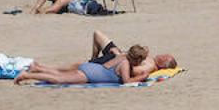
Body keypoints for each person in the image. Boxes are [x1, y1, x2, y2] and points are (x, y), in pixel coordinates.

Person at [15, 30, 176, 85]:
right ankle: (27, 75)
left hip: (93, 68)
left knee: (60, 75)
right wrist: (142, 77)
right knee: (59, 79)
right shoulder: (126, 63)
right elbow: (126, 82)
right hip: (90, 74)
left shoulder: (123, 56)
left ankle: (36, 69)